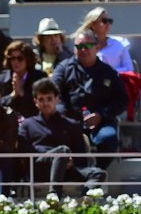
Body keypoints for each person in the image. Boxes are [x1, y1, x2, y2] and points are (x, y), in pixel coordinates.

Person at [51, 30, 127, 167]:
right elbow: (55, 96)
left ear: (97, 47)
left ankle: (95, 177)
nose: (83, 50)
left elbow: (121, 100)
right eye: (79, 46)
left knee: (108, 139)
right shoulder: (63, 69)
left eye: (87, 46)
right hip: (70, 122)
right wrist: (66, 119)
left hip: (100, 122)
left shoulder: (108, 72)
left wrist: (101, 115)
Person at [17, 78, 106, 194]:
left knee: (99, 173)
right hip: (39, 169)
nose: (45, 103)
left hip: (66, 169)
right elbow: (23, 151)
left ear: (57, 99)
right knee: (62, 150)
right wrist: (56, 155)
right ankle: (54, 196)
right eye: (41, 99)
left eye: (49, 99)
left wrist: (71, 162)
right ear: (35, 102)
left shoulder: (71, 125)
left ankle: (84, 199)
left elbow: (81, 156)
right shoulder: (27, 125)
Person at [80, 7, 134, 73]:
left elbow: (129, 69)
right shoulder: (84, 45)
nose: (108, 24)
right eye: (104, 21)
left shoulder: (120, 43)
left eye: (110, 21)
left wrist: (109, 73)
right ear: (93, 25)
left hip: (116, 82)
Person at [0, 40, 38, 119]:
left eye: (20, 58)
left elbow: (40, 103)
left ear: (27, 59)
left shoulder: (38, 77)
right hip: (8, 122)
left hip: (31, 120)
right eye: (12, 58)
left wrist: (22, 93)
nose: (16, 62)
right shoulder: (2, 78)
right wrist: (13, 95)